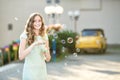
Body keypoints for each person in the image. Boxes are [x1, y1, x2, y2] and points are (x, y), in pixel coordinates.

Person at [19, 12, 51, 80]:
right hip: (30, 72)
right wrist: (34, 44)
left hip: (42, 72)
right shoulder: (25, 36)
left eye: (39, 21)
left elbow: (48, 59)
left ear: (42, 22)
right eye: (34, 21)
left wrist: (46, 50)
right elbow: (21, 56)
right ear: (31, 23)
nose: (37, 23)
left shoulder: (44, 36)